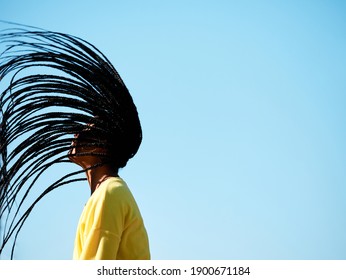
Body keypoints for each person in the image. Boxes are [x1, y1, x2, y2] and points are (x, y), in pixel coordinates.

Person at [0, 24, 150, 259]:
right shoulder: (107, 193)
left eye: (88, 130)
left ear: (104, 145)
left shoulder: (109, 193)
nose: (77, 133)